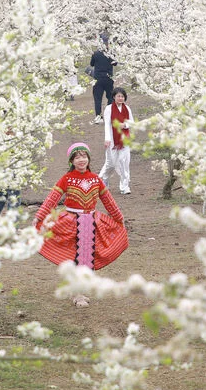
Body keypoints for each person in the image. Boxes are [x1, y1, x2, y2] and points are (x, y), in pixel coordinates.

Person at [34, 142, 128, 307]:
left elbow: (108, 201)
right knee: (74, 259)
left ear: (88, 159)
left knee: (86, 259)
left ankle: (79, 291)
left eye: (83, 156)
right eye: (77, 157)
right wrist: (39, 216)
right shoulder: (67, 179)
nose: (81, 160)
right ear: (71, 161)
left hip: (91, 224)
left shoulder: (96, 179)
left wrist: (119, 218)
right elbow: (52, 199)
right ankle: (78, 294)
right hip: (70, 223)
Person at [99, 87, 133, 195]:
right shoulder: (109, 109)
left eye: (122, 96)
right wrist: (107, 139)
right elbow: (107, 125)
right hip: (113, 140)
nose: (120, 98)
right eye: (118, 96)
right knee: (111, 163)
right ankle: (104, 179)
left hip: (125, 139)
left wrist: (125, 125)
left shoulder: (127, 108)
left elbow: (132, 122)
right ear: (114, 97)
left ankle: (125, 185)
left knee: (124, 162)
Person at [90, 45, 117, 124]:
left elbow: (92, 64)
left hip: (98, 79)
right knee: (111, 97)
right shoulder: (111, 53)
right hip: (108, 78)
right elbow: (115, 64)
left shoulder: (95, 53)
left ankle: (99, 117)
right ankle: (109, 115)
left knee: (98, 99)